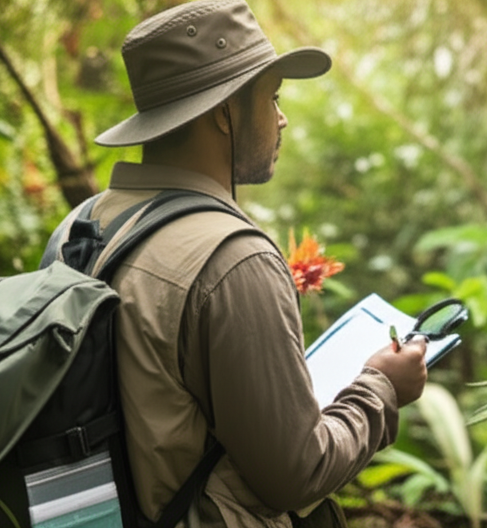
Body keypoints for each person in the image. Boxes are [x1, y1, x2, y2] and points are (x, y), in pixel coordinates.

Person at [87, 0, 429, 526]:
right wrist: (382, 387)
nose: (282, 117)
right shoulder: (233, 260)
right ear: (224, 112)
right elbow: (297, 474)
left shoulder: (85, 224)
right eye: (271, 97)